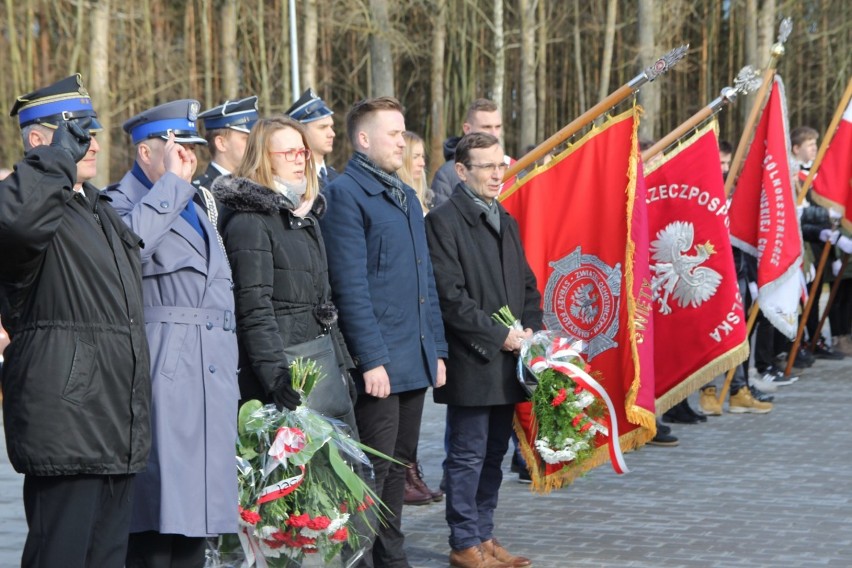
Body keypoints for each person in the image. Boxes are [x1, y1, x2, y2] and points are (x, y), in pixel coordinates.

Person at [1, 74, 151, 568]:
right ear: (39, 141)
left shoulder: (96, 208)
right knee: (60, 556)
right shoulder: (27, 203)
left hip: (112, 420)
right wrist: (53, 162)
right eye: (75, 131)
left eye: (92, 129)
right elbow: (17, 225)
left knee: (106, 558)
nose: (91, 141)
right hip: (67, 420)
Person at [106, 99, 240, 568]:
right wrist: (168, 187)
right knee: (154, 521)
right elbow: (127, 254)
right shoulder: (119, 202)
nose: (188, 156)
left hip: (209, 377)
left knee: (197, 523)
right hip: (166, 376)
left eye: (190, 146)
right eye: (176, 146)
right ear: (147, 152)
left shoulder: (194, 202)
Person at [319, 96, 448, 568]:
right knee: (373, 468)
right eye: (393, 134)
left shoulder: (404, 197)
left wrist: (434, 349)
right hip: (380, 364)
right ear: (363, 139)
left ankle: (390, 555)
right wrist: (371, 358)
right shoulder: (347, 196)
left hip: (412, 357)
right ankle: (368, 557)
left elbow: (424, 282)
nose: (402, 141)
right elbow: (350, 287)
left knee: (399, 465)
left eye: (402, 132)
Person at [426, 132, 539, 568]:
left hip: (509, 359)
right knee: (468, 454)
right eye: (487, 167)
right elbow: (450, 297)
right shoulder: (443, 221)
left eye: (500, 165)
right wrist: (498, 336)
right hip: (474, 359)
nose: (497, 174)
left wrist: (531, 328)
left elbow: (527, 285)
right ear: (461, 171)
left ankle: (485, 536)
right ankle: (463, 542)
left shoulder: (503, 219)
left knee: (494, 453)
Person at [211, 116, 358, 433]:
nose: (299, 160)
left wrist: (344, 365)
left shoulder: (304, 214)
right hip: (284, 374)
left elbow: (324, 304)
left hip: (321, 365)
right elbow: (253, 307)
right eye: (288, 153)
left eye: (302, 152)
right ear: (264, 158)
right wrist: (276, 377)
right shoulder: (249, 221)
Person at [431, 99, 513, 208]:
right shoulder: (446, 176)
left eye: (498, 127)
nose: (494, 134)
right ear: (467, 129)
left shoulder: (513, 167)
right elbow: (441, 221)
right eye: (486, 127)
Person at [194, 95, 259, 190]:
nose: (255, 144)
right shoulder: (201, 193)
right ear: (221, 143)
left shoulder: (256, 185)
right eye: (246, 139)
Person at [286, 88, 338, 189]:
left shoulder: (335, 176)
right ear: (300, 131)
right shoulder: (296, 181)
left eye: (331, 127)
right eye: (322, 127)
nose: (332, 134)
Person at [398, 130, 433, 214]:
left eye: (422, 156)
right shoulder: (395, 199)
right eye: (415, 157)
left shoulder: (428, 198)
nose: (422, 163)